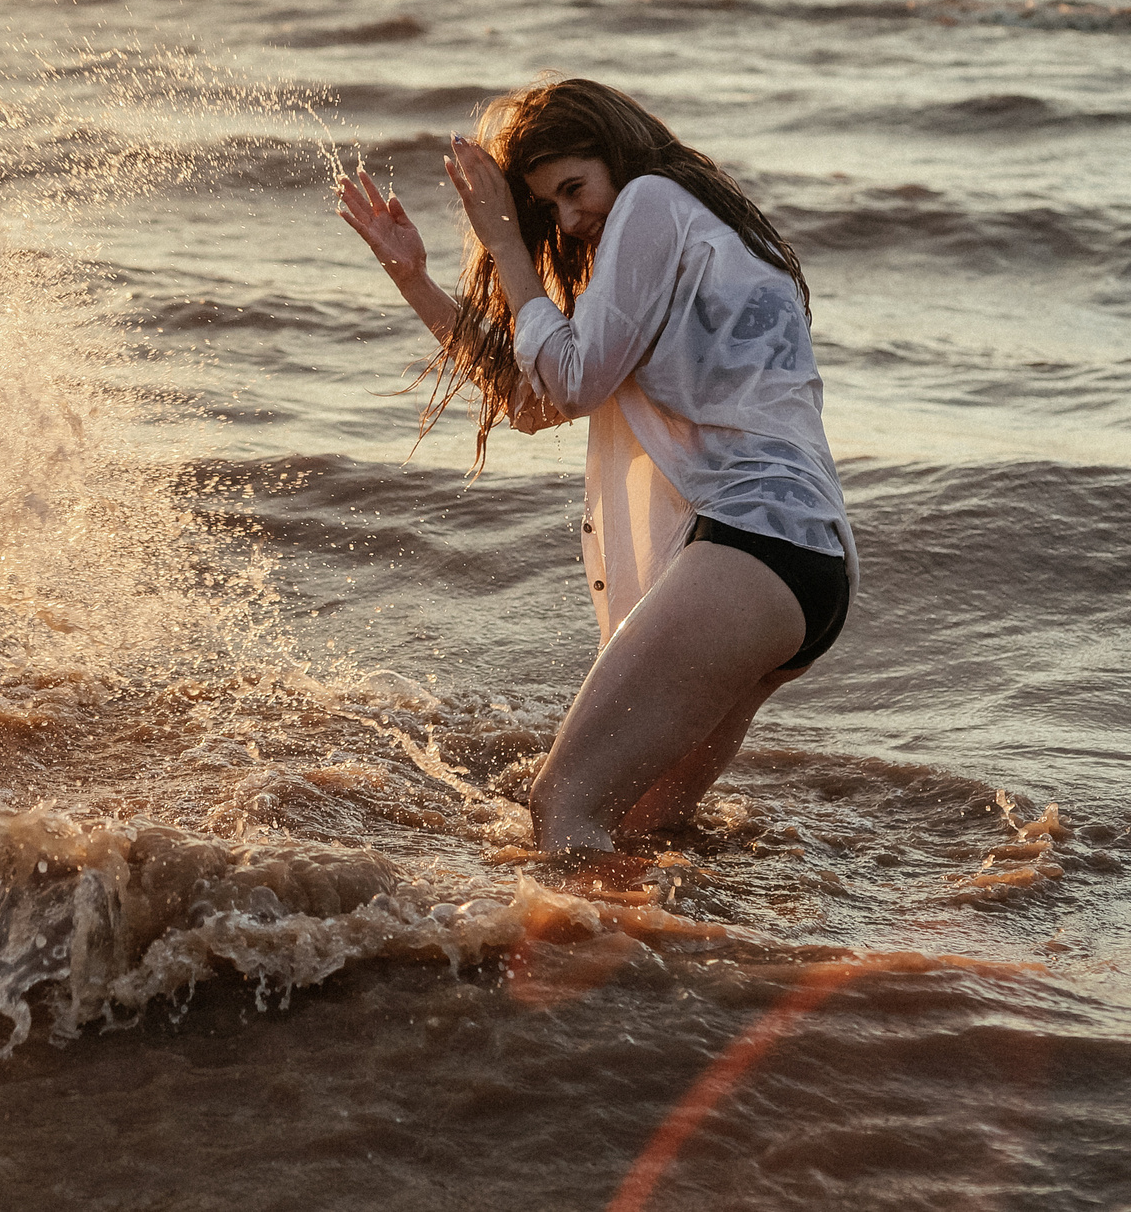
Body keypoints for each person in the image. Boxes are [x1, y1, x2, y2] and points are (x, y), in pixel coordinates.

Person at [336, 76, 853, 864]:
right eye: (549, 209)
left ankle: (556, 980)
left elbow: (568, 380)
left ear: (615, 151)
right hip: (803, 564)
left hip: (755, 541)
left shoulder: (650, 199)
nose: (571, 218)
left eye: (573, 188)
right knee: (643, 828)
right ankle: (670, 981)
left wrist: (508, 243)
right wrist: (414, 278)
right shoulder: (677, 231)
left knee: (563, 802)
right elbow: (534, 398)